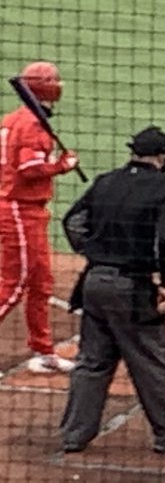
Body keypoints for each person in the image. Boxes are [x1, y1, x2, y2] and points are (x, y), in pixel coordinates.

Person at [59, 126, 165, 455]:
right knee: (152, 360)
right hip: (133, 289)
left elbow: (73, 222)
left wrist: (96, 253)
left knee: (92, 362)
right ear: (163, 157)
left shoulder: (106, 181)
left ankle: (74, 435)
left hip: (93, 283)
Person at [0, 61, 80, 373]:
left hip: (27, 211)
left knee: (41, 283)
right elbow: (28, 169)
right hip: (19, 211)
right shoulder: (33, 125)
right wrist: (63, 165)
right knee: (14, 283)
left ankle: (43, 351)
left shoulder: (14, 118)